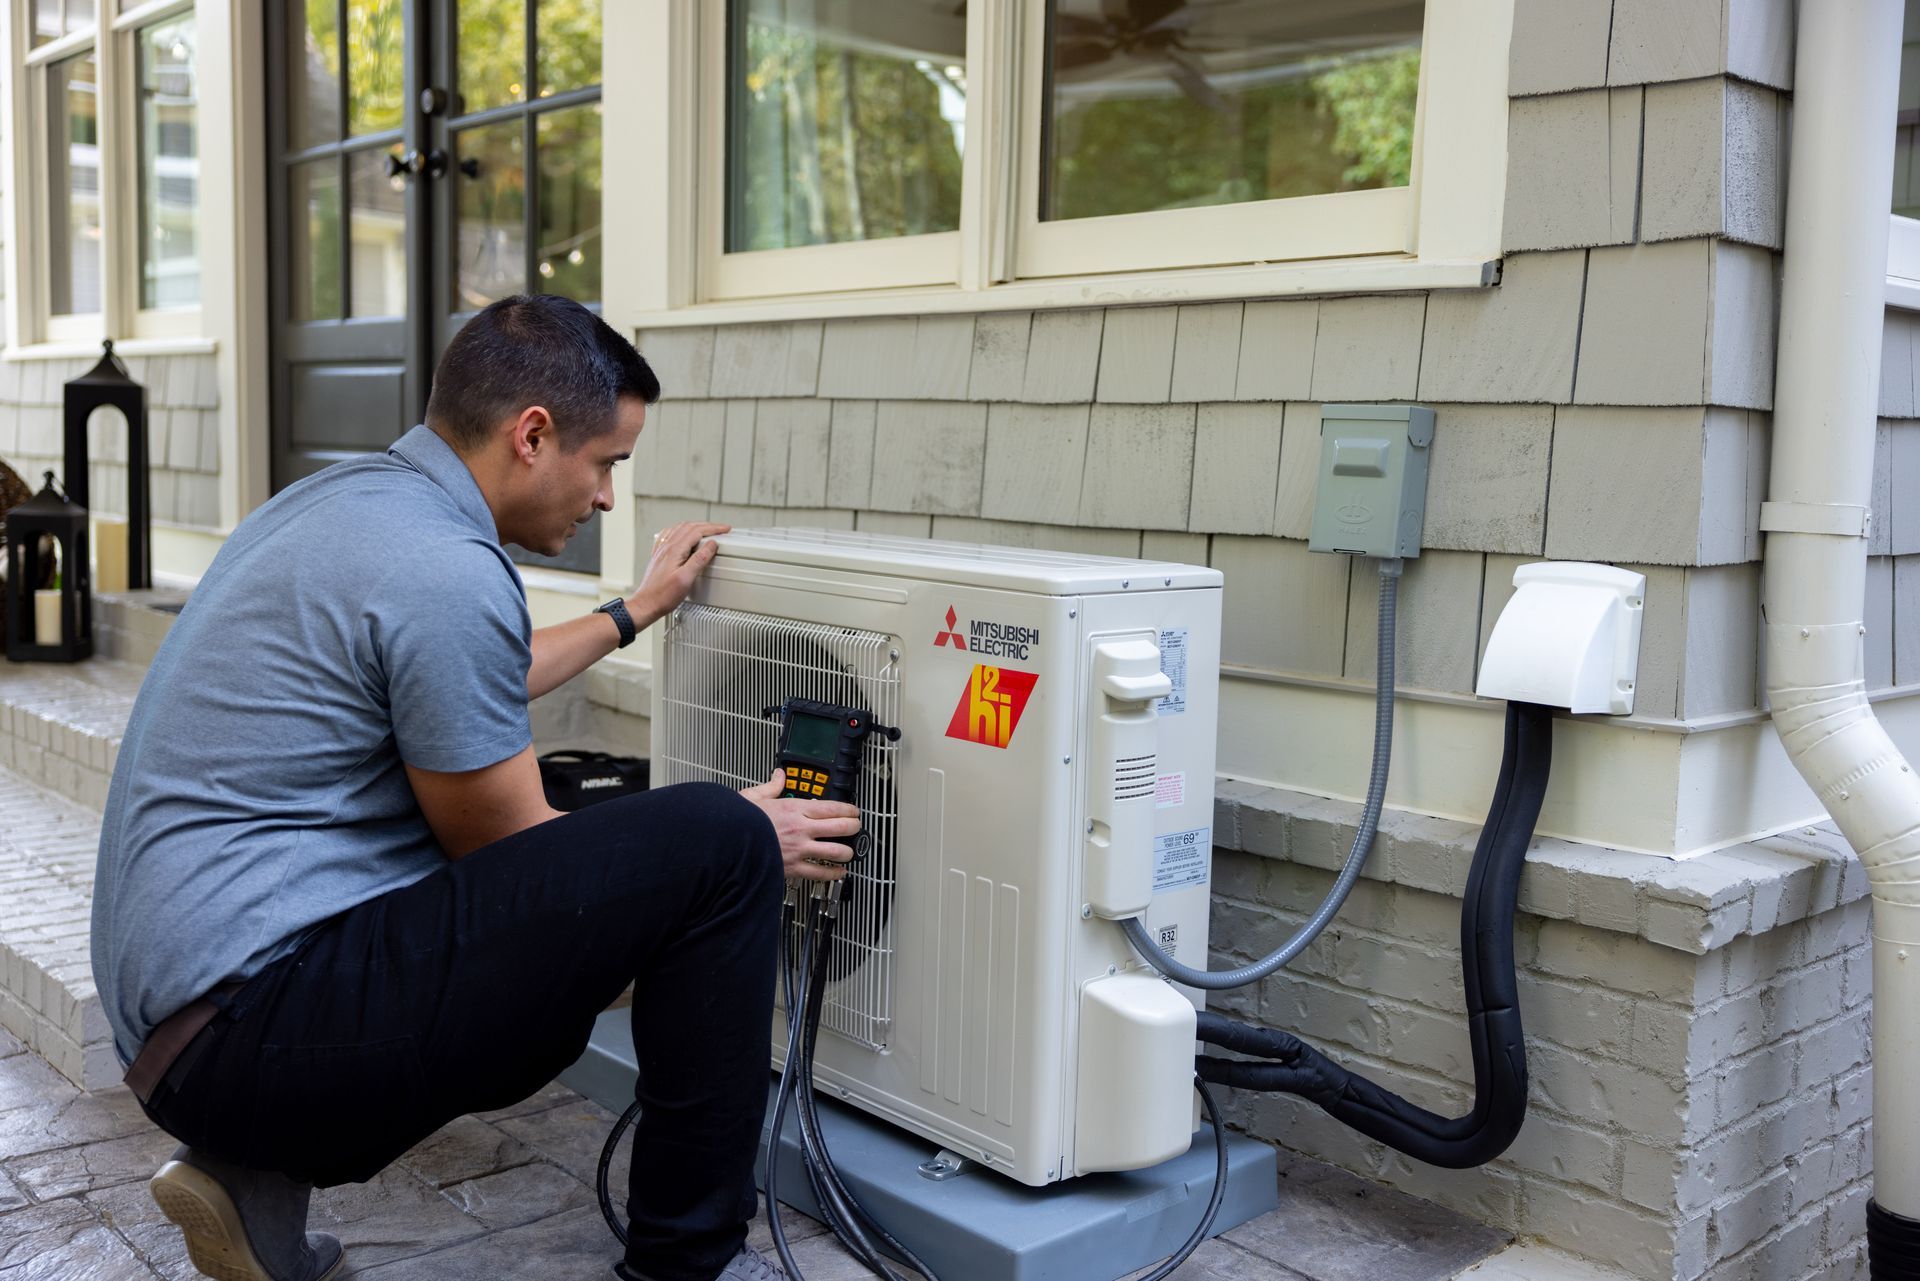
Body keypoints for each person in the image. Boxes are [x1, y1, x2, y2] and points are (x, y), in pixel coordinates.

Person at [89, 294, 858, 1281]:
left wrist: (634, 610)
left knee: (653, 850)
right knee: (714, 841)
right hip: (253, 1034)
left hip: (180, 1026)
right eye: (608, 462)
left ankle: (249, 1180)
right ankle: (688, 1265)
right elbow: (521, 862)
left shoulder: (348, 506)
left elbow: (466, 675)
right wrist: (744, 843)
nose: (610, 499)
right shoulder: (444, 566)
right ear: (532, 435)